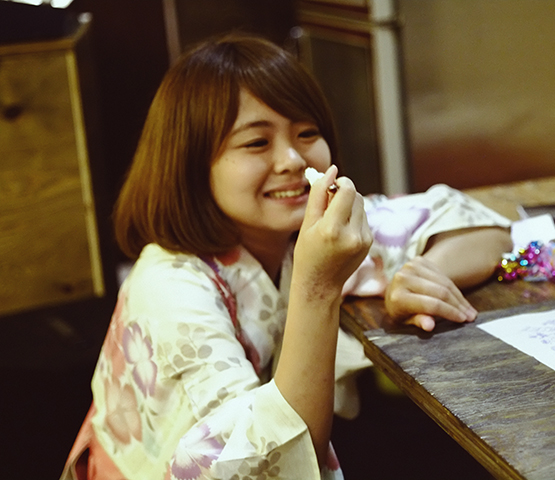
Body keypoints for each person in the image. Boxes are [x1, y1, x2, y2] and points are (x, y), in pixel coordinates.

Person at [61, 34, 512, 480]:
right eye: (256, 143)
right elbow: (258, 467)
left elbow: (479, 224)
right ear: (192, 163)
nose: (293, 159)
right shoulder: (169, 288)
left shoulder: (300, 233)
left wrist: (422, 274)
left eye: (307, 133)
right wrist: (318, 286)